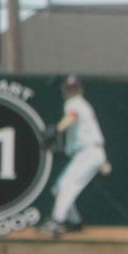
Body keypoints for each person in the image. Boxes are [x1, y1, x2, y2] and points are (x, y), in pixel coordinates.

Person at [40, 75, 112, 235]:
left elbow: (72, 116)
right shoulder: (83, 105)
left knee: (66, 186)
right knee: (59, 188)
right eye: (69, 88)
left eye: (74, 88)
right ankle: (74, 222)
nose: (72, 91)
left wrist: (58, 129)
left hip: (88, 152)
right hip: (89, 152)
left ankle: (57, 221)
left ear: (80, 89)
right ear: (64, 89)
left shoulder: (75, 103)